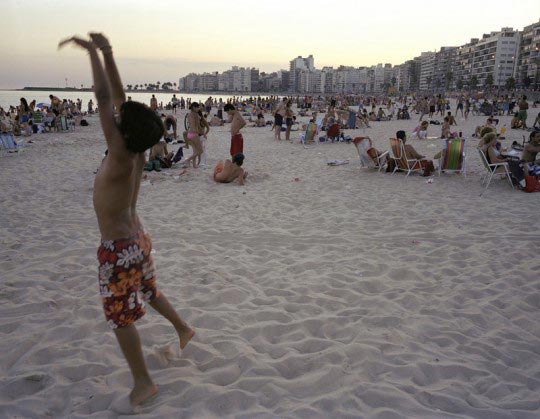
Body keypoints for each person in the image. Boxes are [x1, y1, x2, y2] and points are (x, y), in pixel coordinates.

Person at [59, 32, 194, 408]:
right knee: (148, 290)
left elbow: (105, 98)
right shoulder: (137, 148)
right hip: (138, 238)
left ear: (123, 126)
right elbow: (119, 99)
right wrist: (107, 52)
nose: (116, 115)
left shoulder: (118, 151)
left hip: (117, 247)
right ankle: (183, 329)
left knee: (120, 318)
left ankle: (143, 383)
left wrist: (92, 54)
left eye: (119, 117)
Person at [184, 102, 203, 168]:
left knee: (195, 151)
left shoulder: (189, 114)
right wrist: (202, 133)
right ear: (193, 107)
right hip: (194, 134)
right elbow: (198, 125)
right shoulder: (196, 115)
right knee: (200, 151)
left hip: (189, 134)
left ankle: (194, 165)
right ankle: (188, 160)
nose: (198, 109)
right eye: (197, 107)